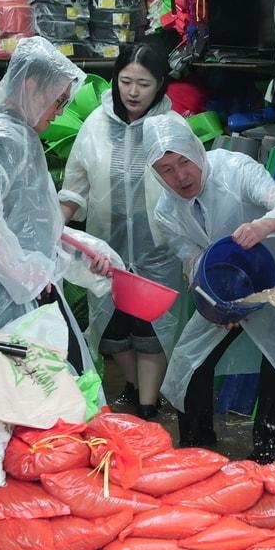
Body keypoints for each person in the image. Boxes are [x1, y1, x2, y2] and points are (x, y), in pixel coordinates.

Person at [142, 113, 275, 461]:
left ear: (197, 151)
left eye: (184, 162)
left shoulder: (234, 168)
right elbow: (192, 259)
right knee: (188, 361)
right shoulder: (167, 210)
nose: (180, 176)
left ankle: (266, 457)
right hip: (230, 288)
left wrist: (263, 226)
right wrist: (218, 306)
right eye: (166, 169)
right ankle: (196, 449)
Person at [0, 36, 113, 370]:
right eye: (58, 101)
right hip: (12, 300)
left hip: (30, 293)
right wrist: (26, 274)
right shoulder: (3, 136)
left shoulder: (20, 135)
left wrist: (81, 253)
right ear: (30, 86)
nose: (60, 113)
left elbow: (34, 224)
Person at [60, 42, 187, 418]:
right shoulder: (95, 126)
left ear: (161, 84)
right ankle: (133, 388)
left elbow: (189, 186)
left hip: (158, 250)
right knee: (113, 333)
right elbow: (74, 188)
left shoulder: (172, 128)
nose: (132, 92)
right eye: (126, 81)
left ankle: (147, 409)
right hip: (105, 252)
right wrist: (50, 226)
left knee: (154, 331)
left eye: (143, 84)